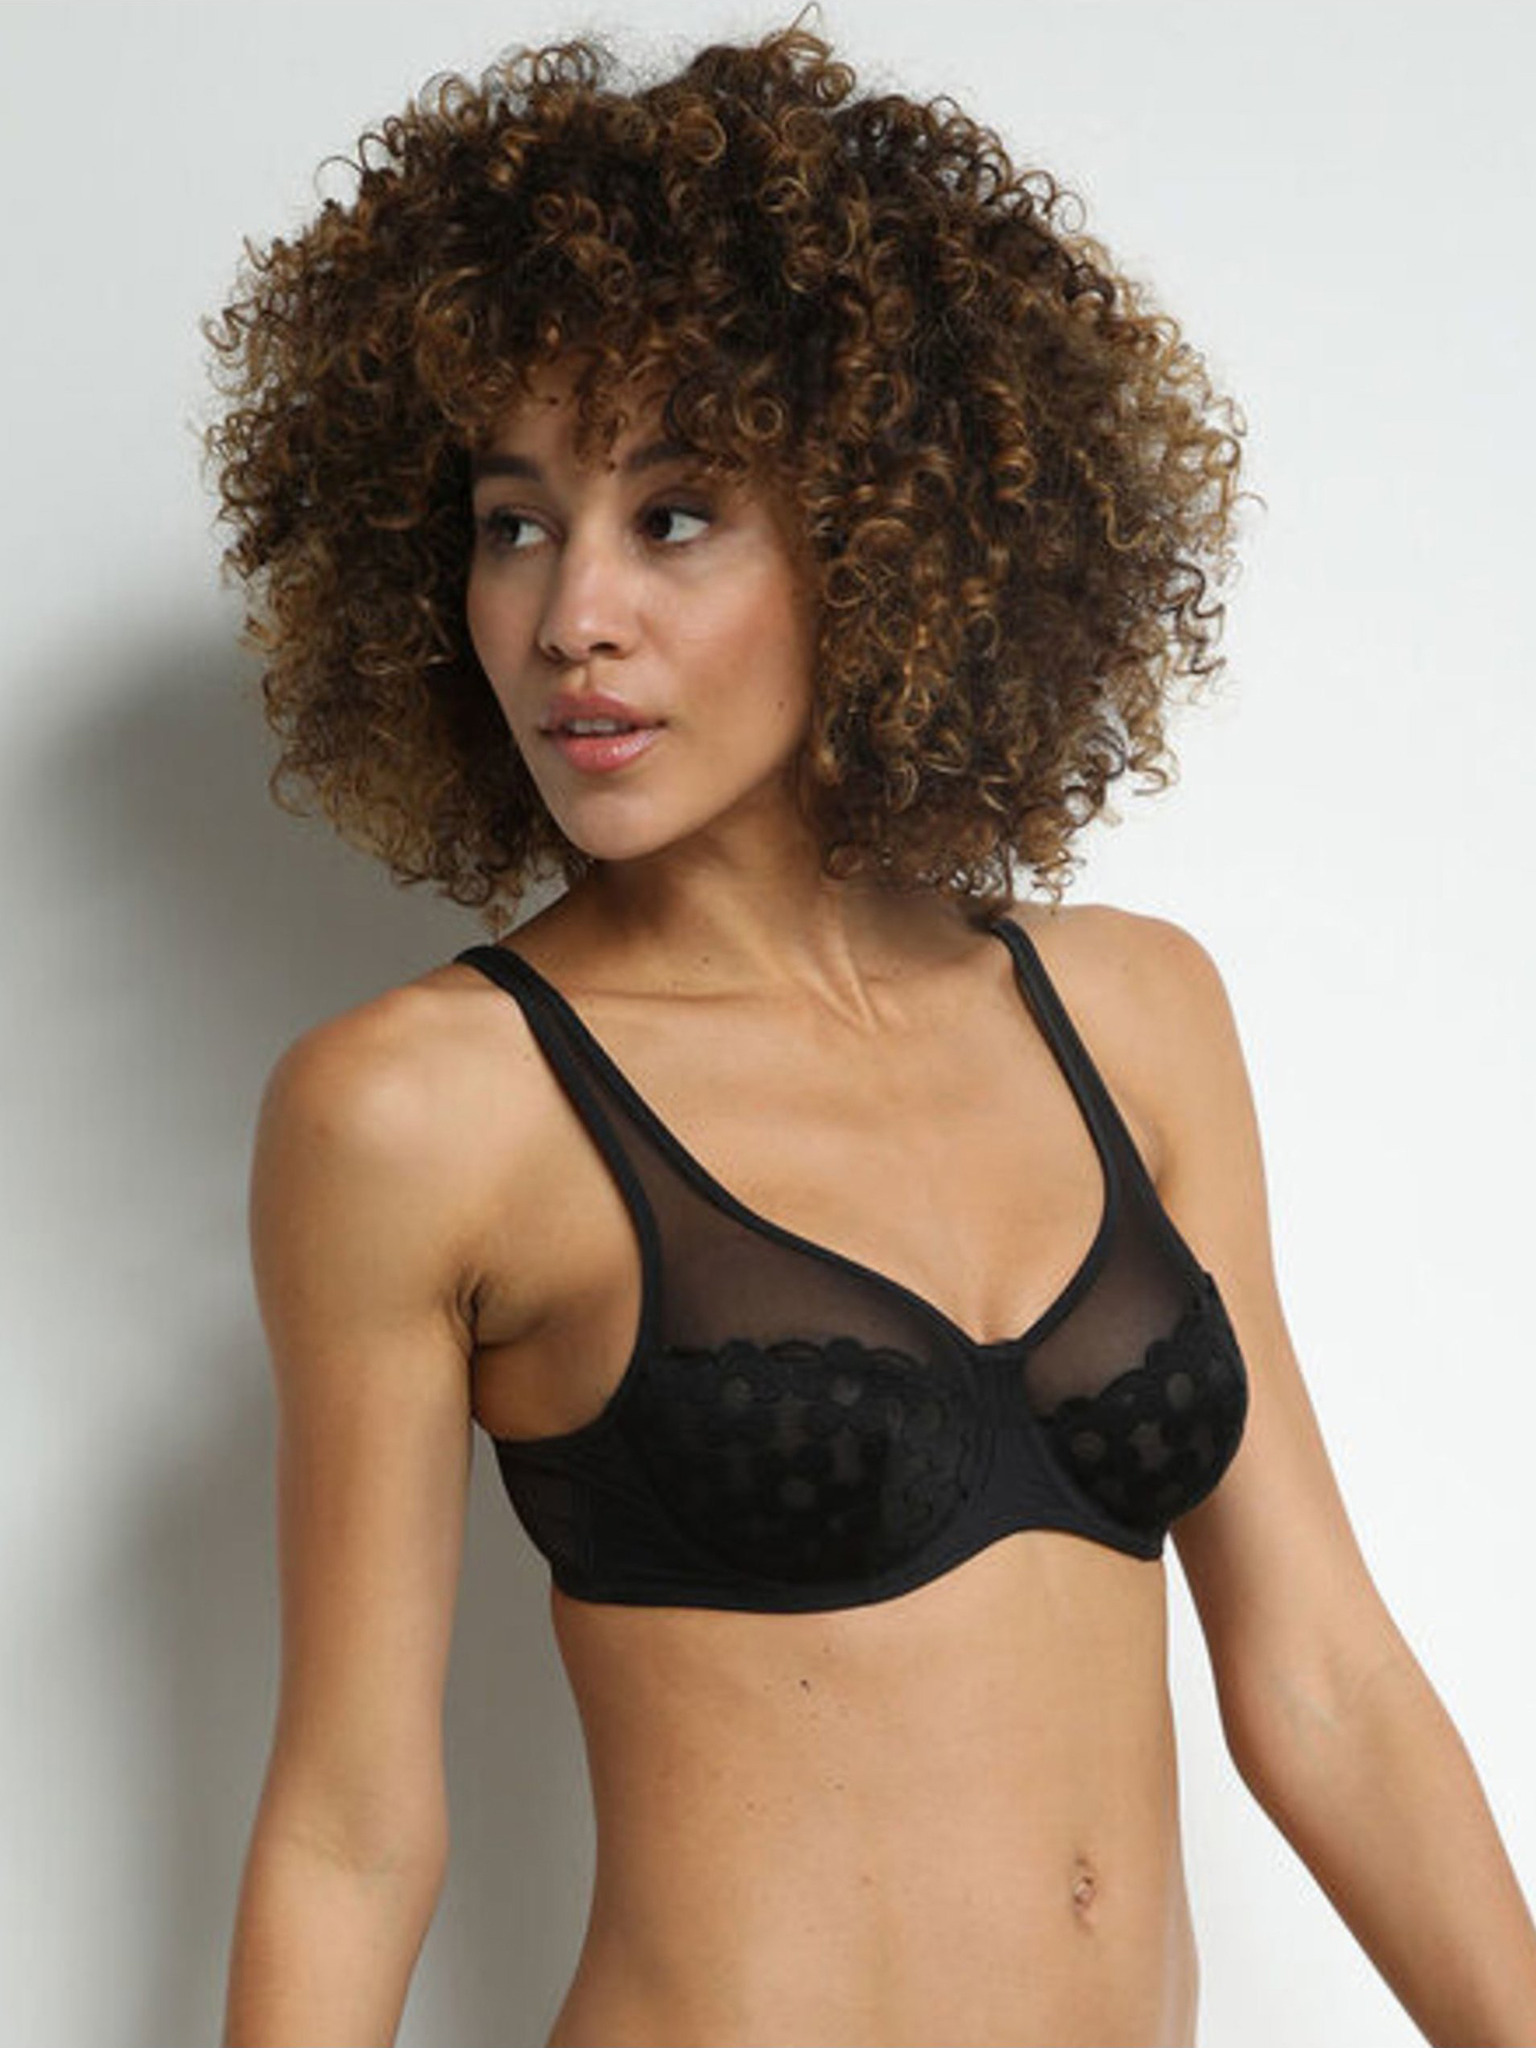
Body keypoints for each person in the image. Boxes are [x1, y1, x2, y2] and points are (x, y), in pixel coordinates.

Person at [207, 19, 1536, 2046]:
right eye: (512, 521)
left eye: (674, 514)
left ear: (883, 536)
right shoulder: (423, 1110)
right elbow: (352, 1829)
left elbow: (1327, 1681)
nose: (570, 616)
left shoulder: (1132, 1011)